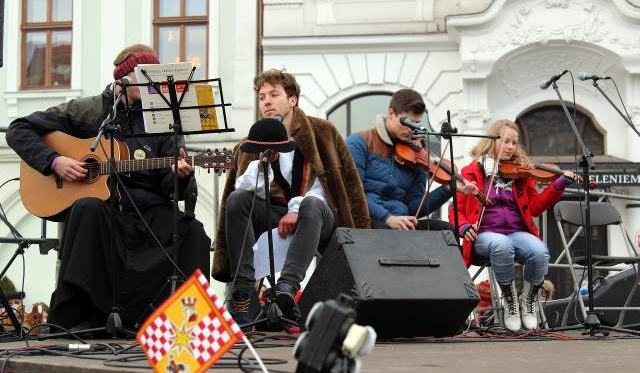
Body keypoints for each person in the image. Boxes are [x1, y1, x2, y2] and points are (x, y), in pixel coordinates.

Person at [6, 44, 210, 332]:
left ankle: (183, 328)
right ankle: (80, 320)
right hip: (106, 211)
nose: (153, 84)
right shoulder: (88, 110)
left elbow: (168, 185)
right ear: (124, 79)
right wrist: (54, 162)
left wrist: (179, 175)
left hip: (146, 210)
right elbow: (19, 130)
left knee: (194, 232)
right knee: (86, 209)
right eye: (145, 76)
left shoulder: (162, 118)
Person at [212, 69, 370, 327]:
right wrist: (262, 164)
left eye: (274, 94)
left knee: (310, 204)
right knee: (237, 200)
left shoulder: (321, 132)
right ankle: (243, 288)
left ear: (292, 100)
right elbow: (244, 187)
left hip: (319, 216)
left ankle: (287, 286)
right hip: (274, 214)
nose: (267, 101)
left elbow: (330, 186)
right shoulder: (253, 140)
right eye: (262, 96)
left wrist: (295, 208)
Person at [448, 119, 576, 332]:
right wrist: (462, 227)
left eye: (514, 143)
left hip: (517, 232)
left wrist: (558, 185)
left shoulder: (521, 174)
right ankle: (509, 300)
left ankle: (527, 300)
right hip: (485, 234)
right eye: (505, 141)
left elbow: (535, 207)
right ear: (492, 141)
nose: (510, 147)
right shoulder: (472, 171)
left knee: (540, 252)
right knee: (502, 245)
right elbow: (456, 210)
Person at [346, 89, 477, 232]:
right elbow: (353, 194)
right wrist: (388, 218)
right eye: (406, 122)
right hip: (368, 220)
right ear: (391, 114)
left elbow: (414, 208)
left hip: (400, 221)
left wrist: (448, 189)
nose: (411, 130)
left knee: (446, 231)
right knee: (386, 230)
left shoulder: (417, 153)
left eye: (415, 124)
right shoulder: (359, 143)